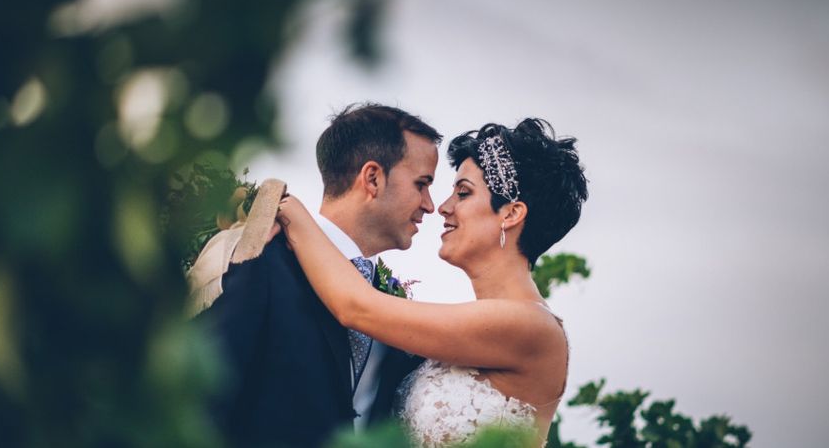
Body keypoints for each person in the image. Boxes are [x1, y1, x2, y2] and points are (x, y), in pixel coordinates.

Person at [276, 118, 589, 447]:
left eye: (463, 193)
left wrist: (287, 208)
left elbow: (356, 307)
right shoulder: (465, 332)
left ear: (510, 214)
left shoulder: (532, 326)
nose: (442, 207)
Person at [195, 103, 442, 448]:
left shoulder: (389, 310)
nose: (430, 204)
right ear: (372, 178)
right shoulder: (261, 260)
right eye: (422, 184)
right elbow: (202, 401)